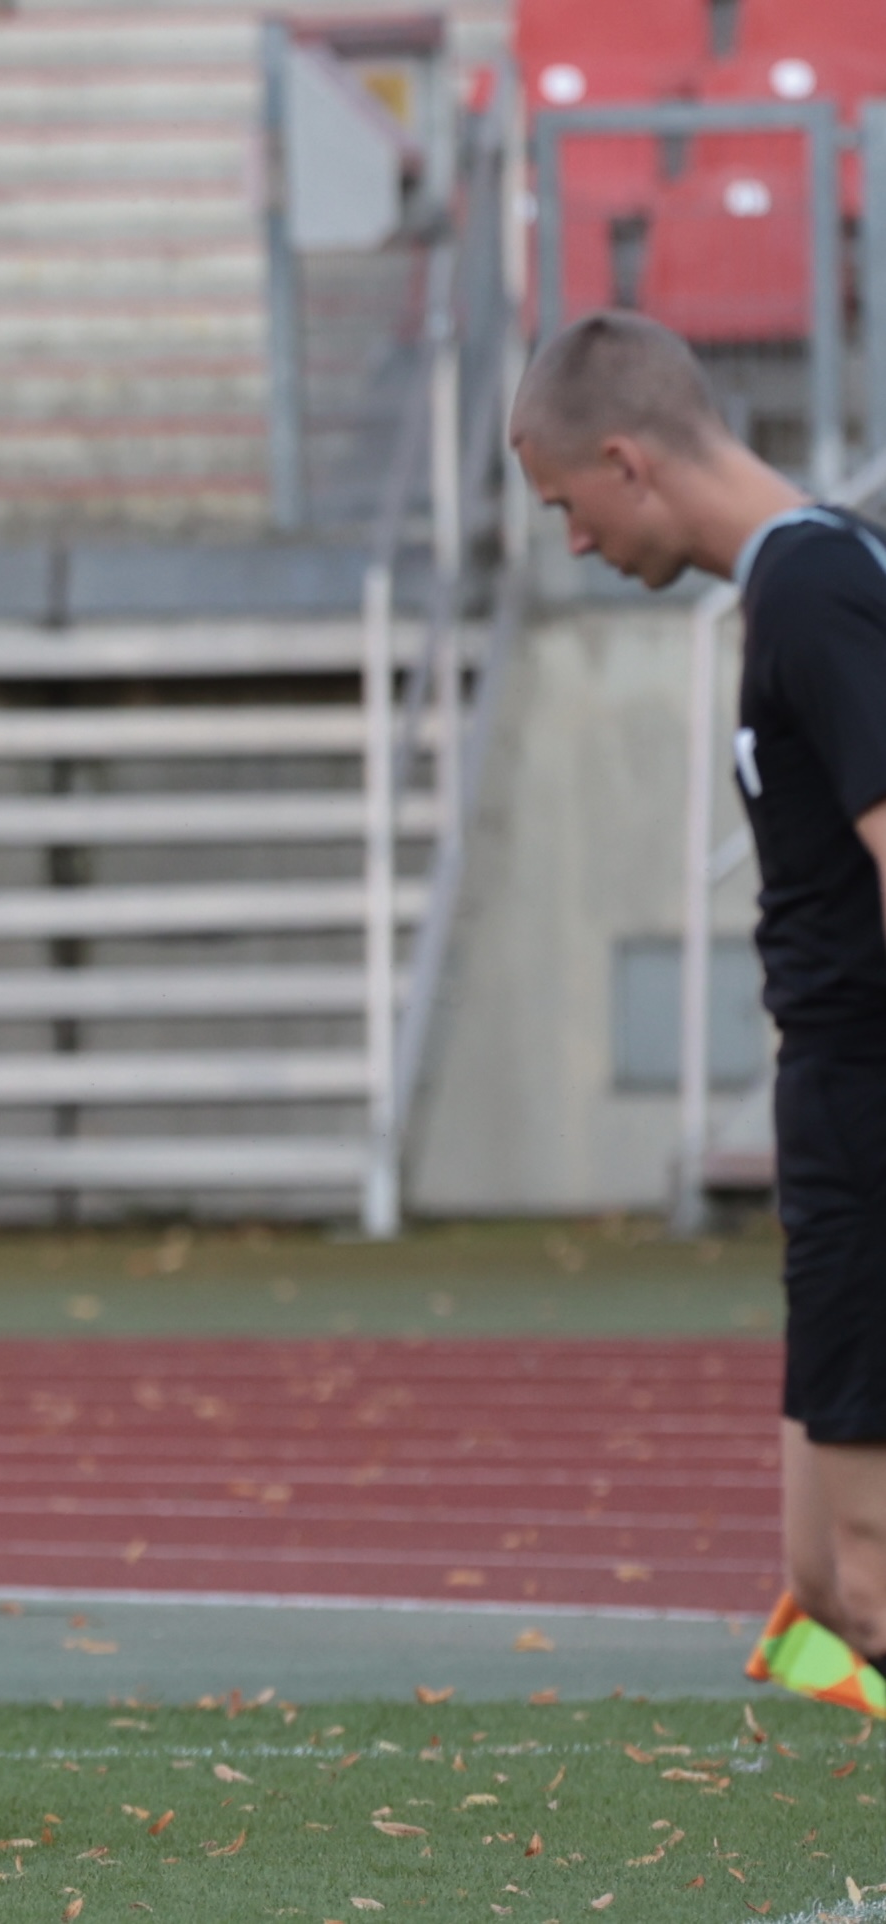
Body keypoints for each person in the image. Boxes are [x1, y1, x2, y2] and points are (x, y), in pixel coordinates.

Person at [510, 310, 886, 1719]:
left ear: (626, 461)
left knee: (864, 1570)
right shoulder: (817, 568)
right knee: (825, 1578)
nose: (576, 545)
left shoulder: (809, 593)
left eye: (568, 508)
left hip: (868, 1105)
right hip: (838, 1107)